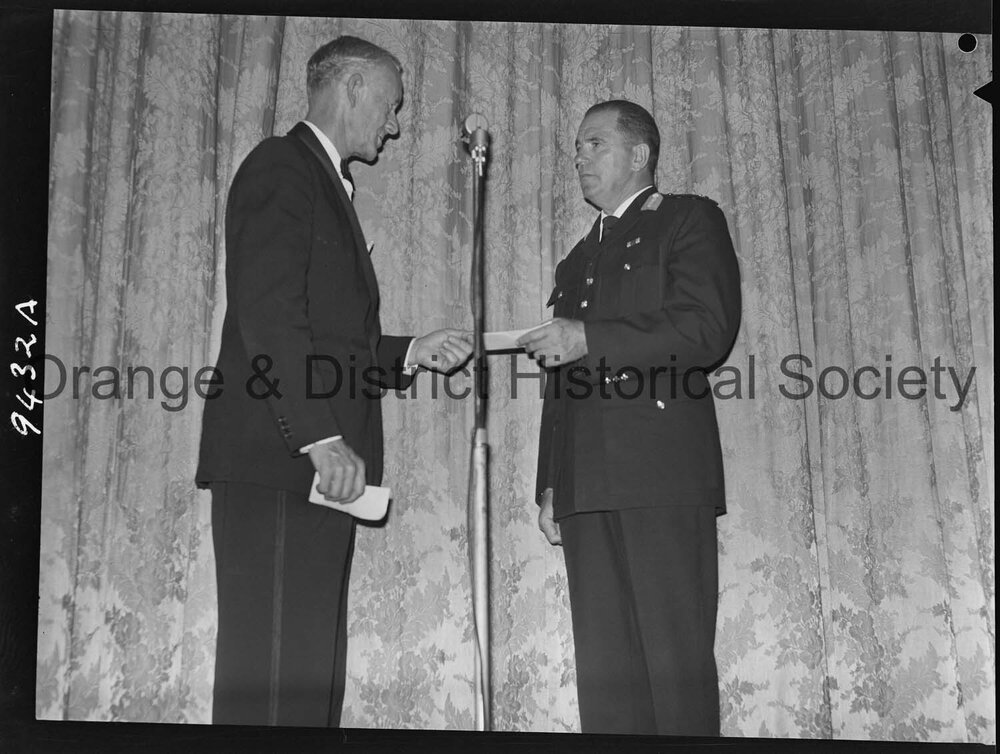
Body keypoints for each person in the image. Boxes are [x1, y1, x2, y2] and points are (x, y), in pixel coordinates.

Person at [196, 36, 471, 727]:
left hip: (311, 470)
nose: (397, 123)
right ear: (350, 86)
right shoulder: (283, 167)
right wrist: (318, 435)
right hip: (284, 462)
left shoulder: (318, 180)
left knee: (309, 679)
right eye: (391, 104)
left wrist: (409, 352)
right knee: (278, 681)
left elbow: (326, 337)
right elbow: (270, 315)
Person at [518, 100, 741, 736]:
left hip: (661, 475)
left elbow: (706, 329)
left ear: (640, 154)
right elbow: (561, 382)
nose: (579, 157)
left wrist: (590, 336)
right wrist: (550, 482)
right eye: (577, 148)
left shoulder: (686, 220)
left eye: (595, 144)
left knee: (674, 672)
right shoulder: (575, 259)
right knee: (606, 680)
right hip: (585, 484)